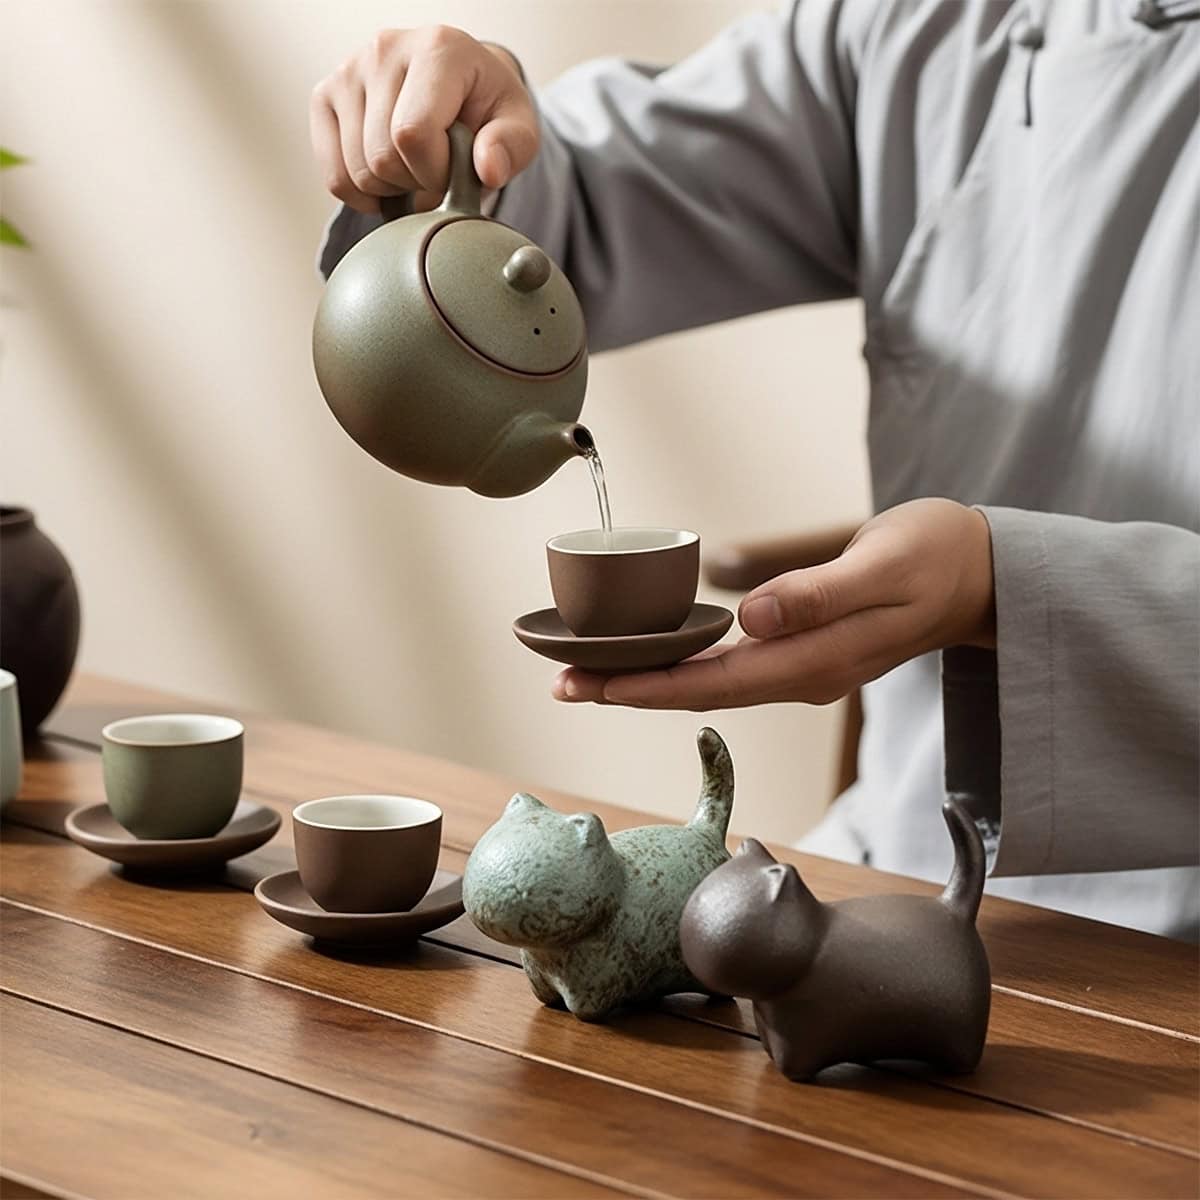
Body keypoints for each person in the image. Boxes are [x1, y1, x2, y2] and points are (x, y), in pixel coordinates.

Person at [312, 1, 1200, 939]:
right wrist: (456, 143)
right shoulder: (922, 25)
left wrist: (998, 593)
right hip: (900, 869)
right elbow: (581, 211)